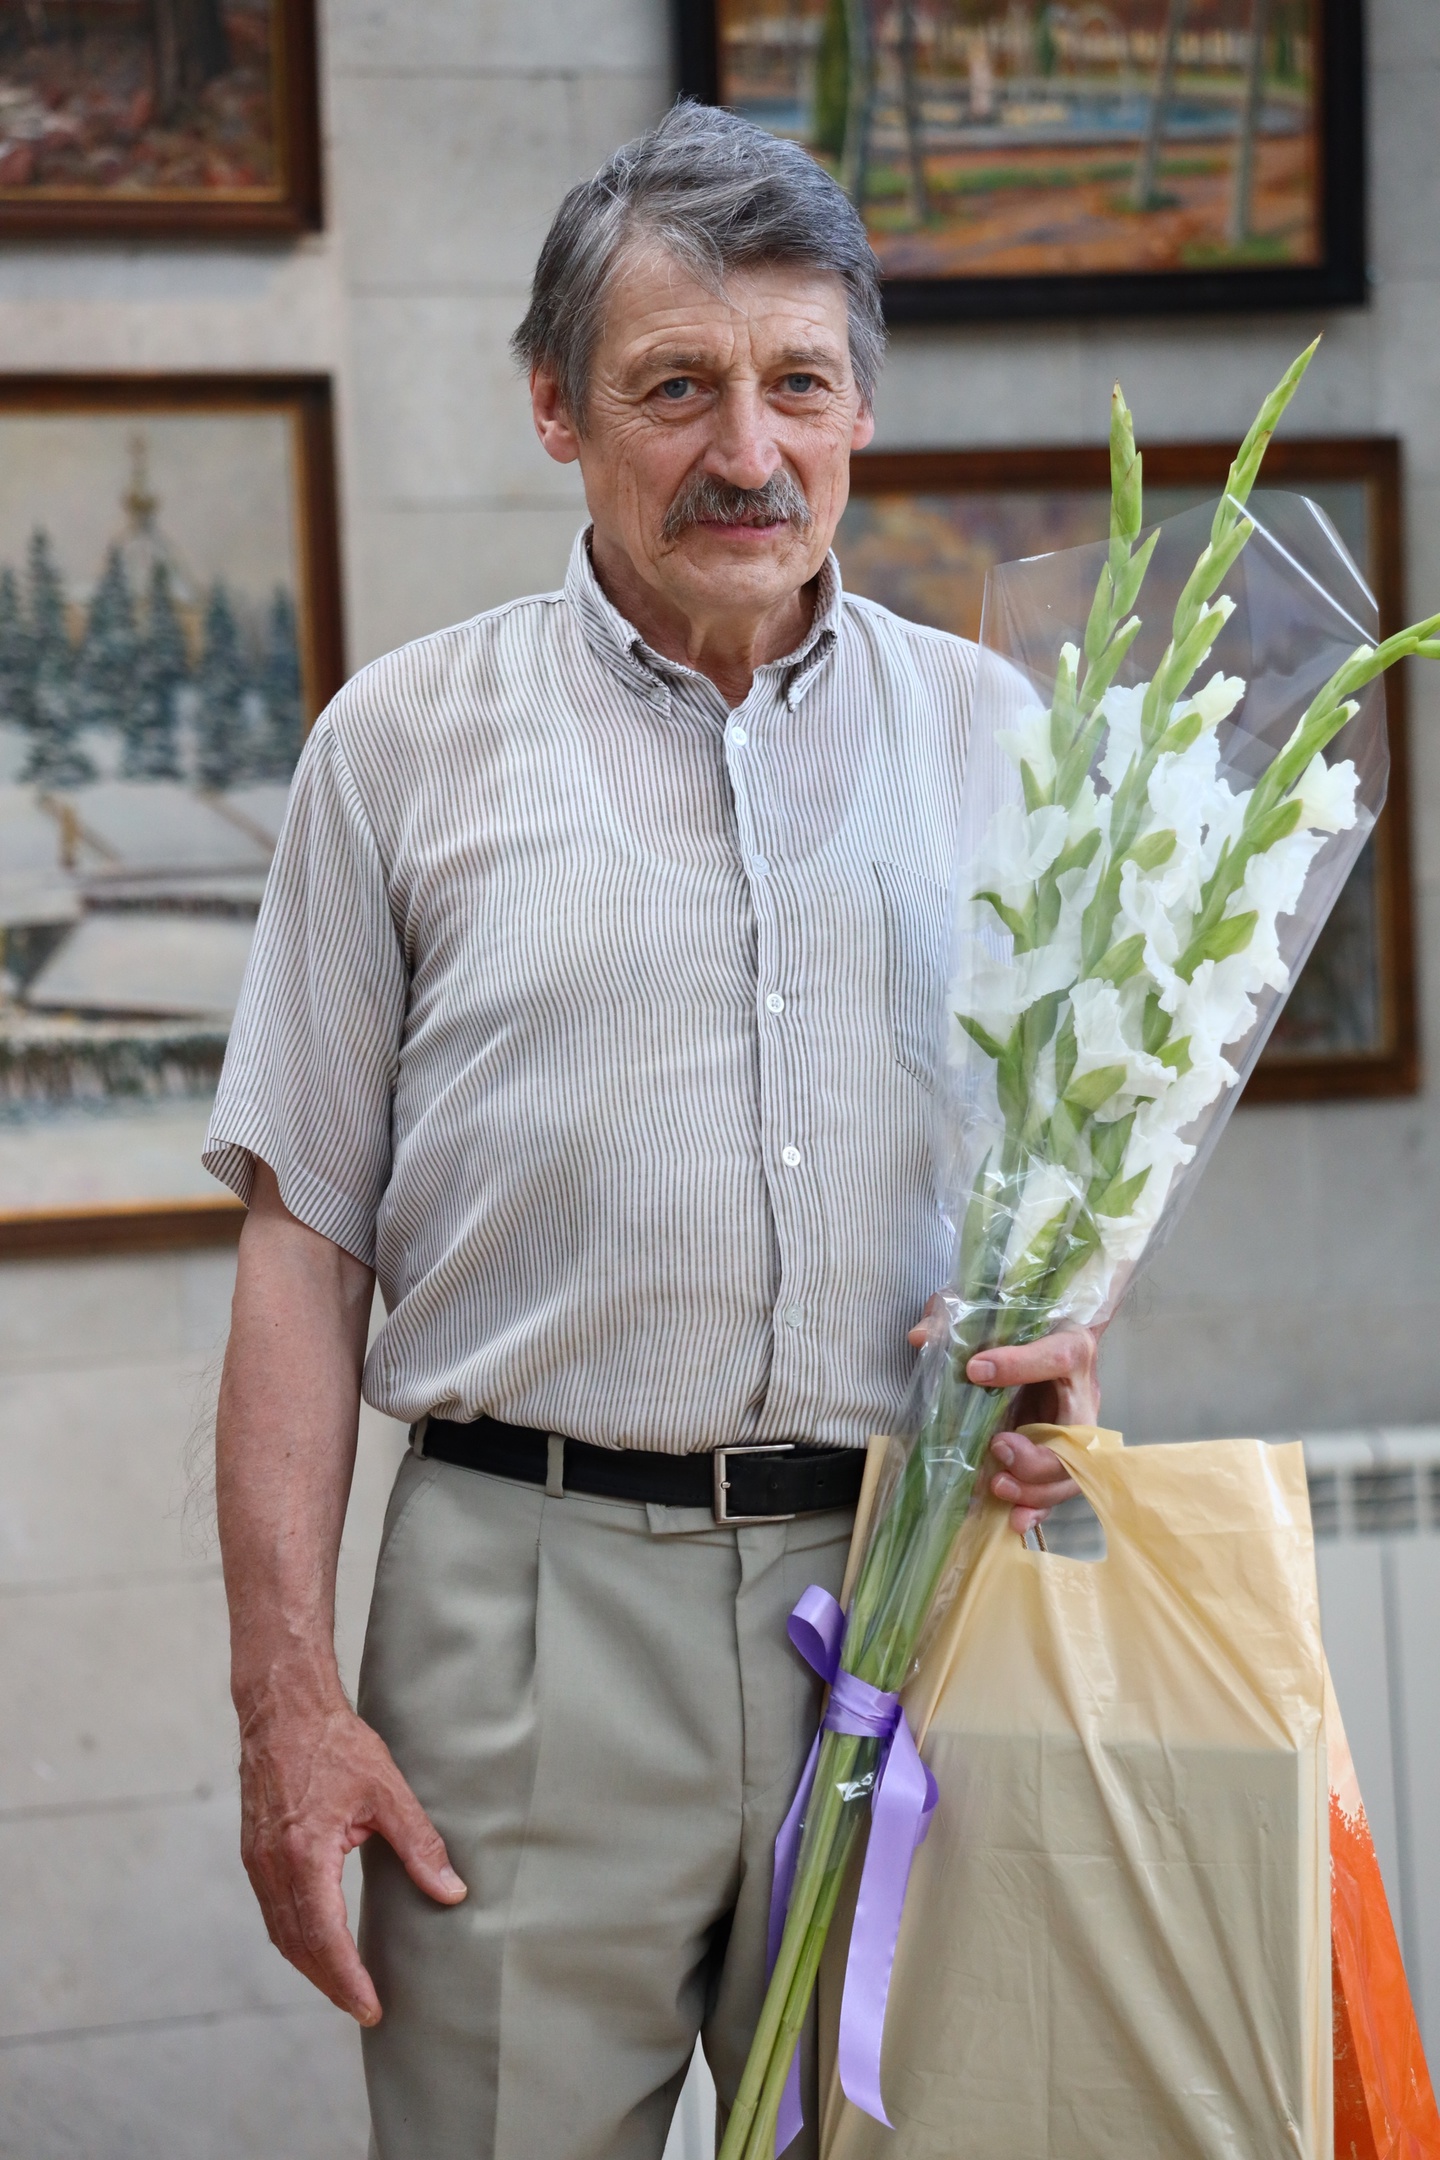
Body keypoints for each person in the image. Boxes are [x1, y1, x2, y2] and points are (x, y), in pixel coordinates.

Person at [209, 102, 1098, 2160]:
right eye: (676, 386)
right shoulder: (399, 748)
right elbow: (301, 1251)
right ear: (557, 407)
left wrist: (1069, 1332)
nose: (748, 449)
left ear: (862, 407)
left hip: (907, 1593)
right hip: (519, 1626)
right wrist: (287, 1706)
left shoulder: (1002, 746)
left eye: (799, 383)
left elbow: (1063, 1177)